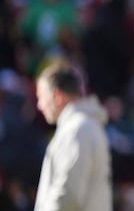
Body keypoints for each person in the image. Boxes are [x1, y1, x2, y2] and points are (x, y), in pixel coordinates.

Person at [34, 61, 112, 211]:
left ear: (57, 96)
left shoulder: (77, 130)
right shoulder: (85, 127)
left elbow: (68, 196)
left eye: (41, 97)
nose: (39, 105)